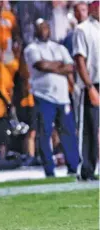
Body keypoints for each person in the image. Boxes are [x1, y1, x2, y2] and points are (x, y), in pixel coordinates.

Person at [24, 19, 79, 177]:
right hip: (43, 95)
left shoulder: (59, 47)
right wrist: (59, 65)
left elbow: (71, 67)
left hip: (62, 97)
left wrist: (52, 66)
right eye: (41, 27)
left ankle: (73, 166)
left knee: (68, 132)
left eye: (46, 27)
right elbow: (41, 65)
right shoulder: (31, 48)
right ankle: (49, 169)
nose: (44, 30)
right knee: (45, 132)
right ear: (35, 30)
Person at [72, 1, 99, 181]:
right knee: (89, 128)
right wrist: (89, 87)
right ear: (92, 9)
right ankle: (86, 170)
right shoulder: (82, 29)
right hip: (94, 84)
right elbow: (80, 60)